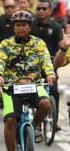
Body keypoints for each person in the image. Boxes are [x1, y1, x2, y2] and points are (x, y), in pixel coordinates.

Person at [0, 10, 56, 151]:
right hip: (11, 87)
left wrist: (49, 73)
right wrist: (0, 75)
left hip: (34, 84)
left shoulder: (39, 43)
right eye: (17, 25)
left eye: (24, 25)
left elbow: (46, 60)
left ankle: (35, 126)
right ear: (13, 27)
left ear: (30, 26)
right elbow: (0, 61)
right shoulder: (6, 44)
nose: (20, 28)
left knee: (46, 104)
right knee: (10, 120)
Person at [31, 0, 63, 131]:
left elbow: (61, 43)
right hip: (32, 66)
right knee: (33, 91)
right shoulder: (31, 26)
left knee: (54, 91)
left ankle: (54, 122)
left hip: (50, 64)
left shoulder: (56, 26)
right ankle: (33, 119)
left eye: (44, 9)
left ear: (50, 11)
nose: (41, 11)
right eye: (38, 9)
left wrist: (65, 46)